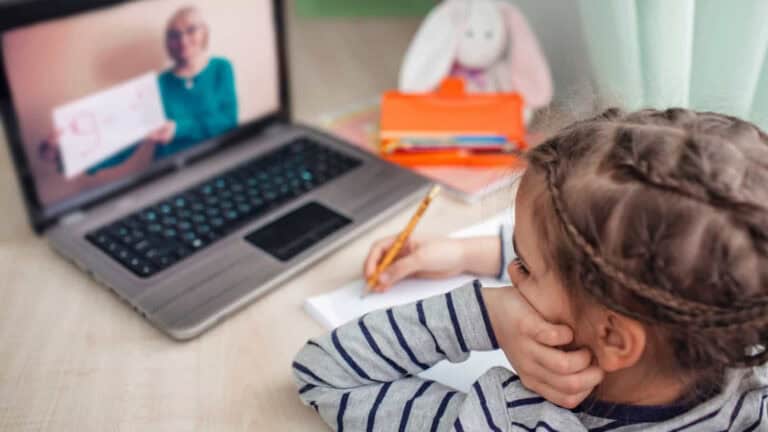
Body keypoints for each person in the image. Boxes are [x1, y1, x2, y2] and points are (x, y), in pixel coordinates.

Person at [292, 108, 768, 430]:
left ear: (615, 339)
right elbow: (599, 269)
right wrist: (467, 254)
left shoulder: (514, 418)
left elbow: (325, 373)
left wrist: (485, 314)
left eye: (523, 265)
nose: (510, 276)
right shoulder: (746, 381)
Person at [39, 5, 237, 179]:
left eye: (191, 30)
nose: (183, 39)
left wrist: (178, 129)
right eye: (174, 35)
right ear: (168, 42)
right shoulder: (156, 85)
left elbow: (228, 121)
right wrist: (70, 154)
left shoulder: (221, 68)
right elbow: (124, 143)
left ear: (205, 33)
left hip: (218, 165)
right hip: (170, 175)